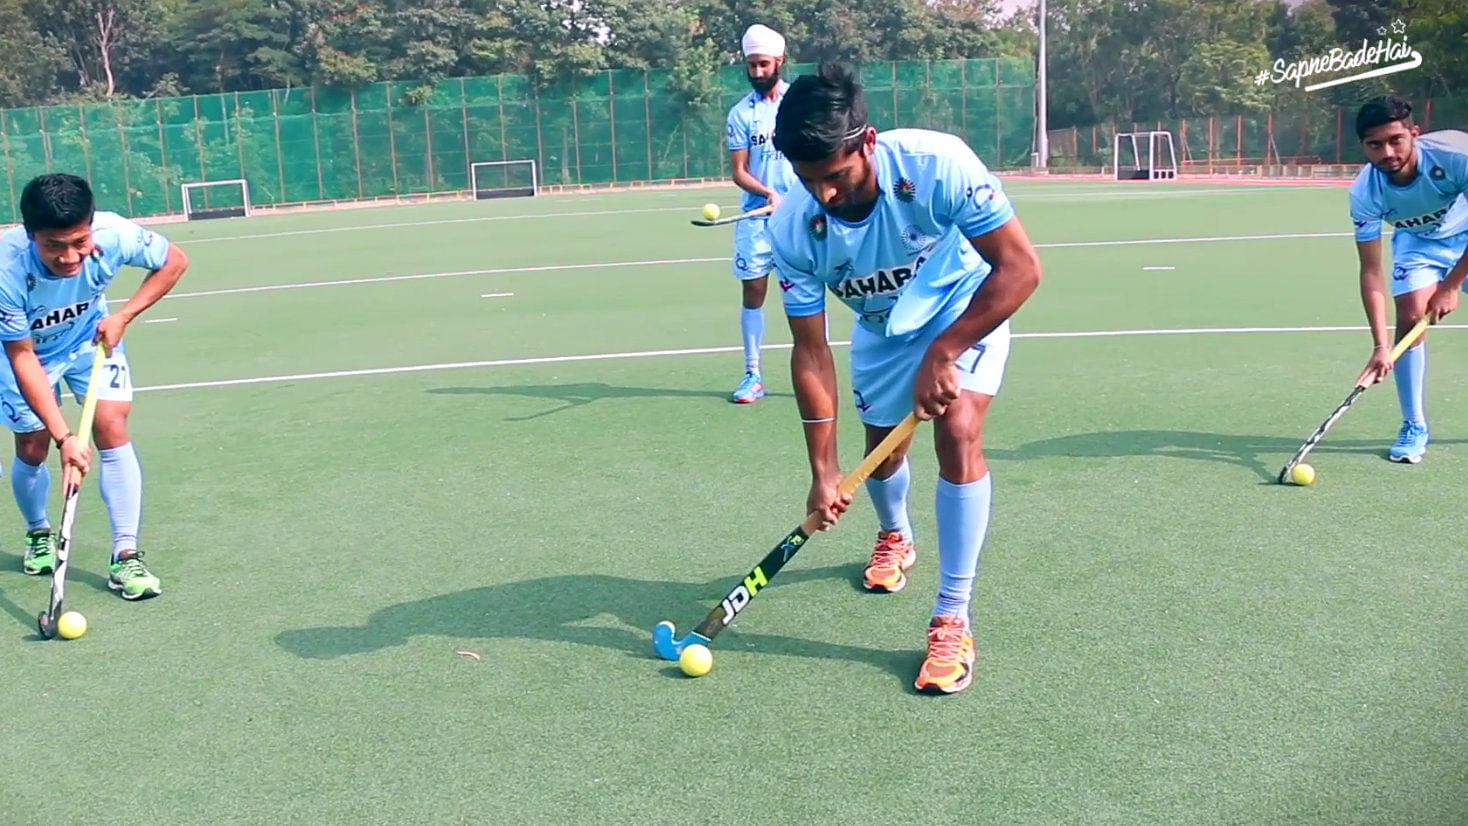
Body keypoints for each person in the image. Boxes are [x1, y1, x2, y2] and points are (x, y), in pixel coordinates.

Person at [767, 63, 1041, 695]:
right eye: (810, 183)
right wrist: (823, 470)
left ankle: (952, 614)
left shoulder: (936, 164)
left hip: (962, 305)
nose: (826, 196)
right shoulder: (791, 227)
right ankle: (896, 534)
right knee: (882, 454)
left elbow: (1021, 268)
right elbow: (811, 353)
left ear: (867, 141)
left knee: (959, 431)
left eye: (835, 176)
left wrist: (946, 351)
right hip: (883, 328)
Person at [0, 172, 189, 599]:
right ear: (31, 235)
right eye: (54, 246)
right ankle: (38, 532)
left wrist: (123, 316)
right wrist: (64, 436)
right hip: (27, 354)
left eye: (79, 242)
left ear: (91, 226)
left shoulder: (115, 232)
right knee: (33, 443)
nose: (70, 257)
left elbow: (174, 260)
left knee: (112, 428)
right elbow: (22, 356)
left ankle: (126, 556)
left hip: (90, 341)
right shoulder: (6, 269)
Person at [1349, 95, 1468, 463]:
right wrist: (1381, 346)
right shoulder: (1365, 193)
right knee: (1412, 318)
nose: (1387, 152)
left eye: (1395, 140)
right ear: (1363, 147)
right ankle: (1414, 424)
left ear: (1414, 133)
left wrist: (1450, 285)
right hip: (1419, 245)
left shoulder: (1456, 156)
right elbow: (1371, 271)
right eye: (1375, 144)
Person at [723, 23, 798, 403]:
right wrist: (768, 192)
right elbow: (739, 171)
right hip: (757, 218)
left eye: (763, 65)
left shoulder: (799, 103)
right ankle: (753, 375)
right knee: (753, 291)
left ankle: (811, 372)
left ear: (779, 61)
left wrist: (796, 196)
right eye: (751, 65)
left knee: (803, 294)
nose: (757, 73)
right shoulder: (740, 114)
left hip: (800, 218)